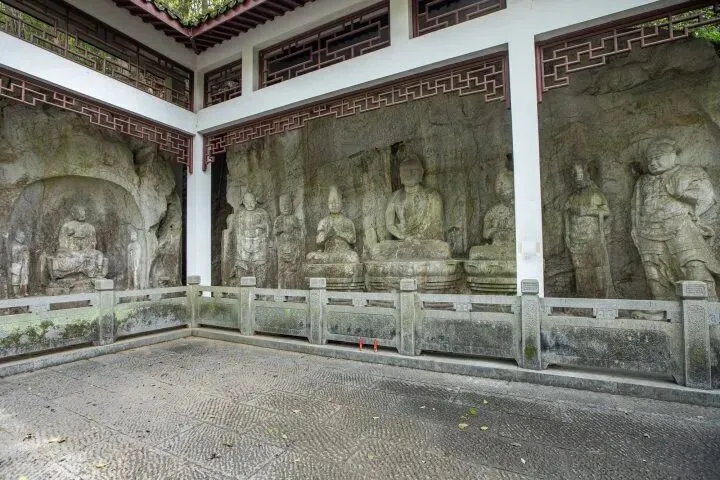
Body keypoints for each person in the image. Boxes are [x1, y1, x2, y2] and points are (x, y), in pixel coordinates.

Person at [631, 138, 719, 300]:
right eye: (649, 160)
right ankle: (660, 304)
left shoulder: (690, 172)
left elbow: (707, 196)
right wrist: (635, 229)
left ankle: (705, 303)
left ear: (674, 156)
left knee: (693, 263)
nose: (653, 162)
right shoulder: (642, 181)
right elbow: (636, 208)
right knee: (653, 269)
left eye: (658, 157)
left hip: (680, 225)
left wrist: (682, 195)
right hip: (648, 229)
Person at [564, 163, 615, 298]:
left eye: (580, 174)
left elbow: (606, 211)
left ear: (586, 175)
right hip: (576, 236)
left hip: (592, 236)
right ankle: (583, 294)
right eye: (574, 174)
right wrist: (567, 234)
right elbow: (566, 216)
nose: (577, 177)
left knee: (596, 265)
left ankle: (600, 295)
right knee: (579, 267)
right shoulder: (572, 197)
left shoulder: (596, 194)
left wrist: (587, 211)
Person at [47, 206, 108, 280]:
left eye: (83, 212)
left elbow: (93, 243)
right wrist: (73, 252)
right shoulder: (67, 226)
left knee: (99, 254)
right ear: (73, 214)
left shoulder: (90, 227)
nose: (82, 214)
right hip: (70, 252)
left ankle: (99, 272)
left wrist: (85, 250)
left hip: (86, 252)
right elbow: (62, 245)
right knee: (60, 256)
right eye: (79, 212)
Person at [307, 186, 359, 264]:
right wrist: (327, 234)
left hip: (344, 252)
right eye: (331, 202)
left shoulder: (348, 222)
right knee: (310, 257)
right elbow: (318, 241)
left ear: (342, 202)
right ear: (327, 203)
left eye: (336, 202)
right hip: (328, 253)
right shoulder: (323, 222)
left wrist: (339, 233)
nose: (333, 205)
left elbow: (353, 240)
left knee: (354, 257)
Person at [235, 192, 270, 287]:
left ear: (256, 201)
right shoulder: (241, 214)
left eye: (252, 202)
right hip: (244, 244)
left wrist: (259, 226)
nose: (250, 205)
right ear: (243, 202)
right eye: (247, 202)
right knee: (242, 266)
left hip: (259, 244)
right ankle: (242, 289)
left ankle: (260, 290)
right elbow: (238, 231)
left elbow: (267, 228)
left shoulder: (262, 213)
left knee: (260, 267)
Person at [273, 193, 302, 289]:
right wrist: (282, 229)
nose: (285, 207)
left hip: (293, 248)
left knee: (293, 269)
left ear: (291, 205)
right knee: (281, 269)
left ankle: (294, 290)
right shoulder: (278, 219)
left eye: (287, 205)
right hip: (282, 249)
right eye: (282, 205)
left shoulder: (294, 219)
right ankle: (281, 290)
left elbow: (299, 233)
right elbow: (275, 232)